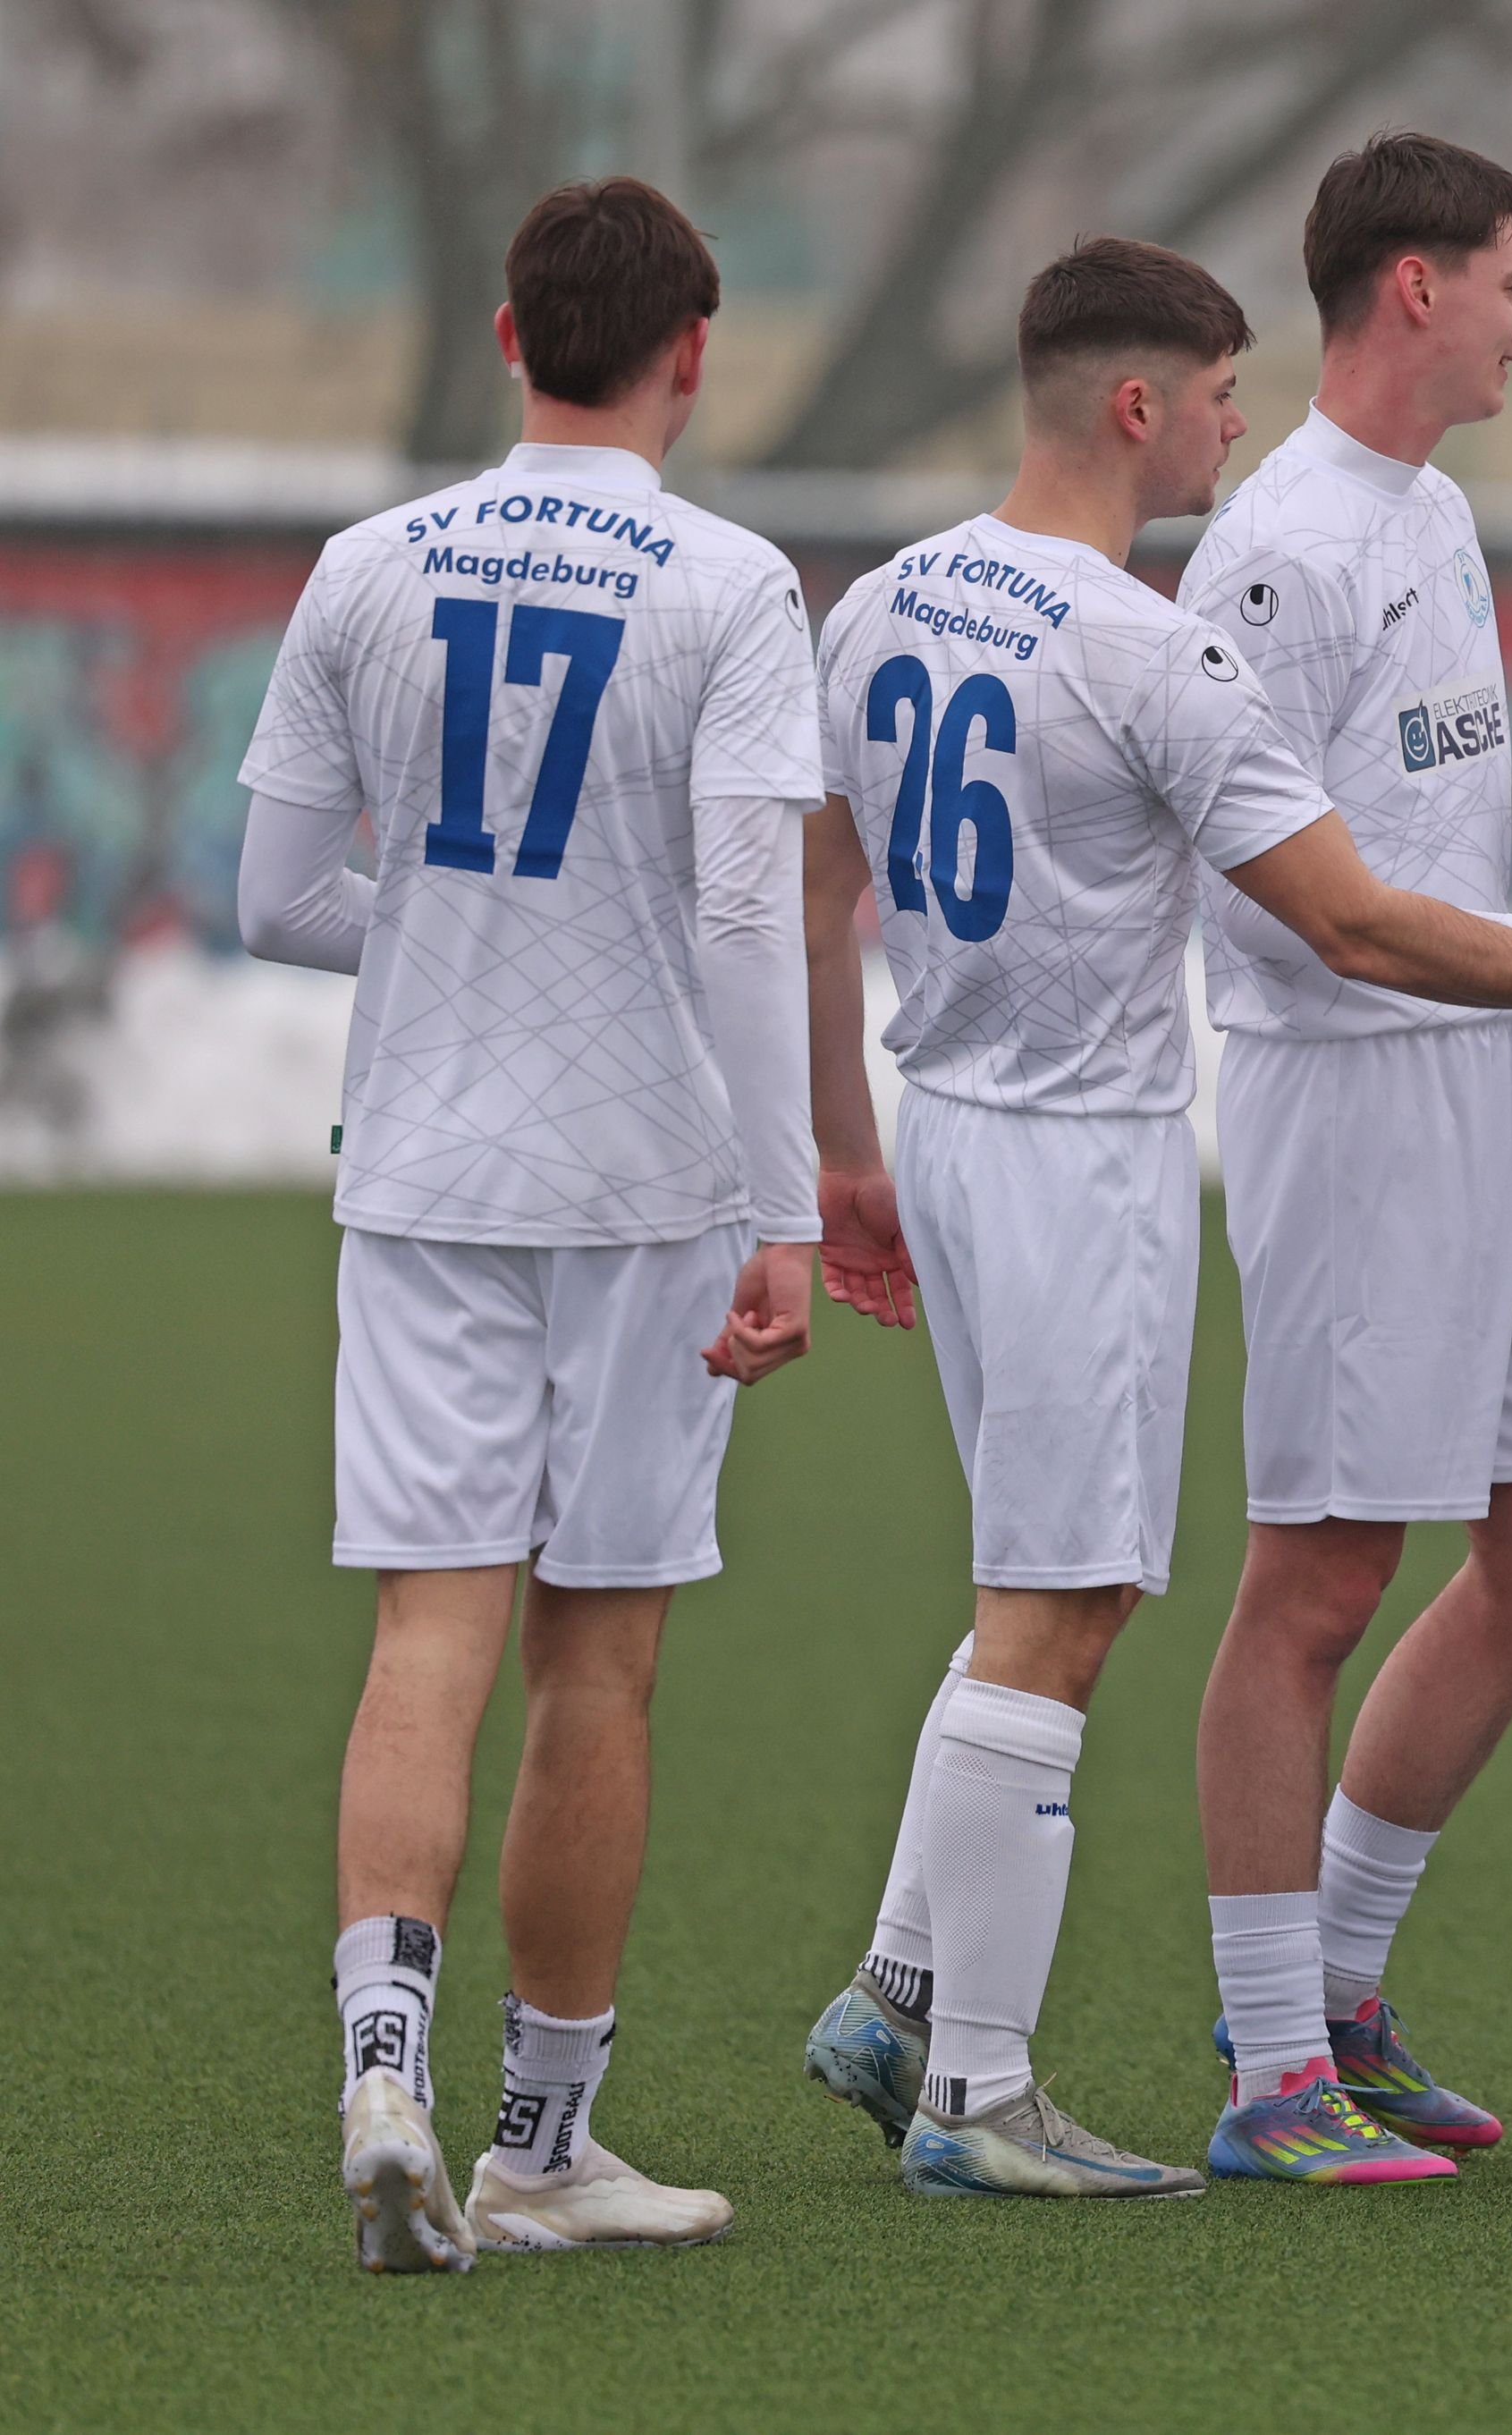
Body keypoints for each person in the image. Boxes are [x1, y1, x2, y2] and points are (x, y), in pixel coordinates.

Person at [792, 241, 1512, 2197]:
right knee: (1130, 1593)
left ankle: (929, 1985)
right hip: (1181, 1116)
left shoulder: (891, 596)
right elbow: (1324, 912)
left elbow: (813, 872)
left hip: (1029, 1113)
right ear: (1143, 405)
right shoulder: (1186, 614)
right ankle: (1136, 2073)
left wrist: (839, 1142)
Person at [237, 177, 824, 2270]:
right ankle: (541, 2145)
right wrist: (786, 1202)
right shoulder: (734, 583)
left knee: (427, 1636)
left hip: (421, 1176)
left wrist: (452, 941)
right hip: (651, 1186)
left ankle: (376, 2058)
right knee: (603, 1663)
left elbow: (277, 898)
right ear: (695, 349)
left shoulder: (363, 568)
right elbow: (753, 916)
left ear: (505, 339)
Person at [1178, 132, 1512, 2180]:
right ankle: (1266, 2069)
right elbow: (1272, 896)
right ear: (1410, 288)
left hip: (1475, 1075)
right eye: (1508, 277)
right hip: (1345, 1096)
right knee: (1313, 1577)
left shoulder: (1436, 511)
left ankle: (1342, 1994)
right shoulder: (1279, 544)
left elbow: (1423, 851)